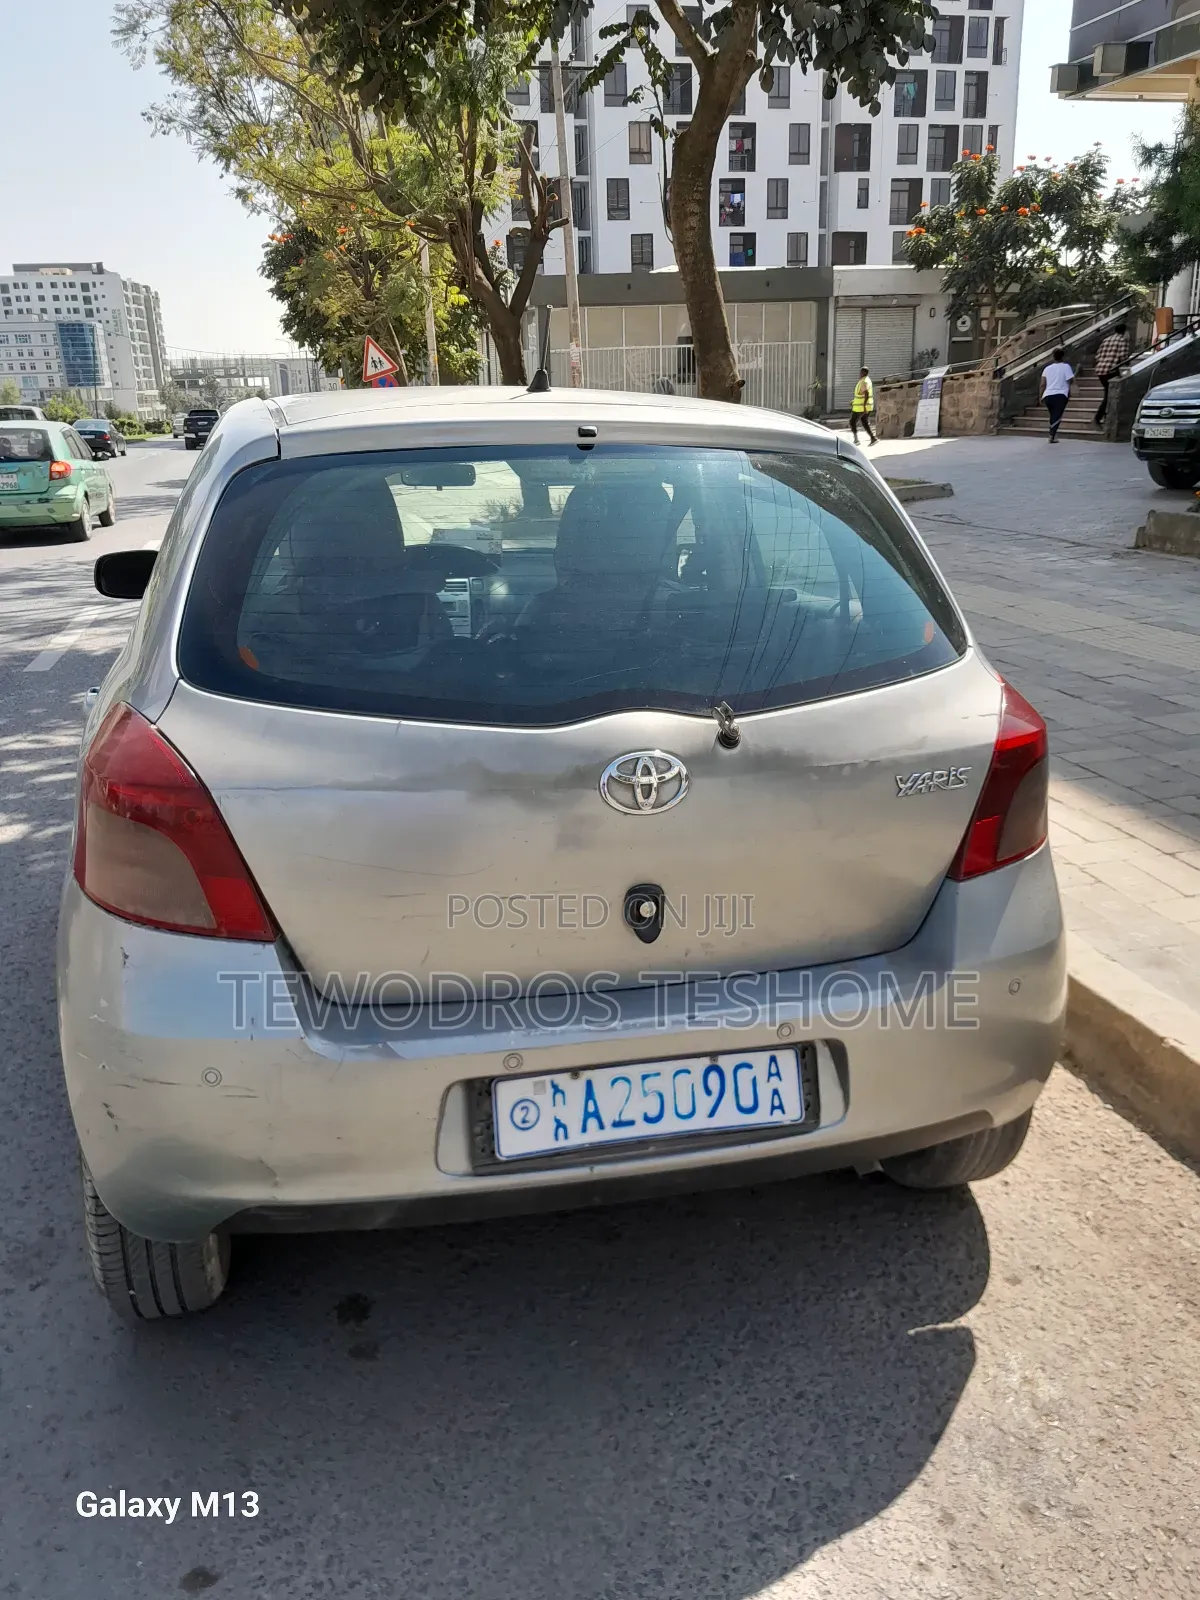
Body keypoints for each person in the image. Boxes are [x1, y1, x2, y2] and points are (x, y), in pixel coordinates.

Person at [1093, 322, 1130, 427]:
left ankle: (1105, 415)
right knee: (1109, 395)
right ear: (1124, 331)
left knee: (1108, 392)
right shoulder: (1122, 340)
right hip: (1112, 370)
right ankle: (1098, 417)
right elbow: (1123, 357)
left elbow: (1098, 355)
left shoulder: (1106, 339)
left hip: (1101, 370)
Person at [1039, 348, 1074, 444]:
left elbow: (1042, 384)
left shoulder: (1047, 368)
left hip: (1048, 395)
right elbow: (1070, 380)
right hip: (1061, 394)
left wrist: (1040, 396)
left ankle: (1052, 433)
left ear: (1053, 357)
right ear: (1063, 356)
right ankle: (1052, 435)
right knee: (1057, 416)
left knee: (1053, 415)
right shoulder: (1066, 367)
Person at [850, 367, 876, 446]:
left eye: (861, 372)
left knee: (852, 421)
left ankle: (856, 439)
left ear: (864, 373)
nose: (859, 374)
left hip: (861, 407)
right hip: (861, 406)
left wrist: (864, 406)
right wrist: (854, 401)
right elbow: (860, 395)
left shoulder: (864, 381)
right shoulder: (865, 380)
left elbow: (866, 394)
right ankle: (873, 438)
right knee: (864, 422)